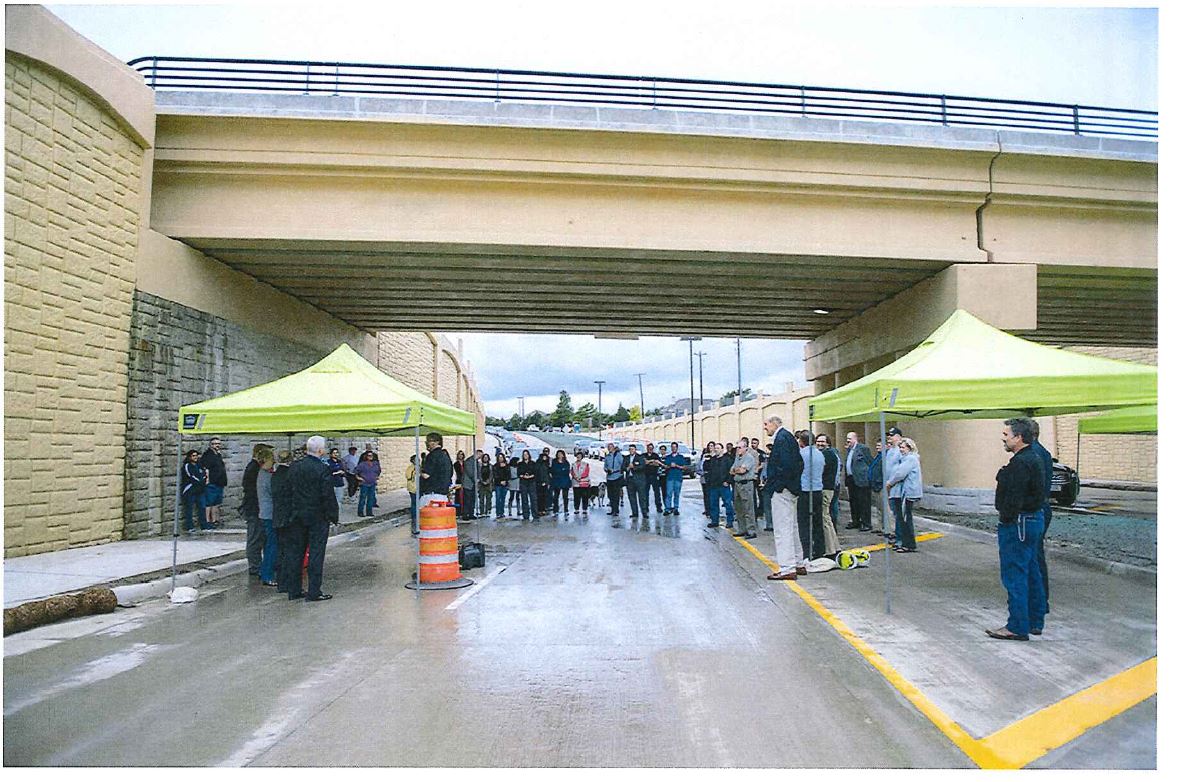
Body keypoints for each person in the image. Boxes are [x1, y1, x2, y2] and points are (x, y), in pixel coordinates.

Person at [988, 417, 1048, 641]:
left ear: (1019, 437)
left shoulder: (1021, 463)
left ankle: (1017, 625)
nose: (1003, 439)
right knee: (1031, 570)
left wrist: (1006, 518)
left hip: (1019, 523)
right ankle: (1034, 620)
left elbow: (1013, 496)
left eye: (1007, 435)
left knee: (1015, 574)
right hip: (1032, 520)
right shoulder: (1035, 457)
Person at [286, 435, 339, 602]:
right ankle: (314, 591)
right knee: (316, 553)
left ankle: (294, 589)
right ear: (321, 451)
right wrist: (333, 515)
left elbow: (288, 490)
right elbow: (327, 495)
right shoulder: (322, 469)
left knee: (296, 553)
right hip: (317, 516)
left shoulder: (295, 467)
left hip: (297, 515)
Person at [764, 417, 805, 581]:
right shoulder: (788, 437)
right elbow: (798, 464)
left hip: (783, 490)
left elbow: (786, 466)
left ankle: (787, 568)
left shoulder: (781, 439)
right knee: (792, 527)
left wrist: (778, 485)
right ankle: (798, 562)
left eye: (766, 424)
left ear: (775, 424)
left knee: (783, 529)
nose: (765, 427)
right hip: (791, 489)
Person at [1028, 419, 1055, 610]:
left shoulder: (1034, 454)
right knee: (1035, 554)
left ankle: (1039, 599)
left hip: (1035, 509)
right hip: (1041, 508)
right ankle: (1039, 598)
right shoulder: (1041, 452)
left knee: (1034, 556)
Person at [885, 437, 923, 552]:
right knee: (905, 518)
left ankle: (908, 544)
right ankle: (906, 543)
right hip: (908, 492)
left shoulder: (910, 459)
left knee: (906, 519)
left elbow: (900, 474)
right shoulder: (909, 458)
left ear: (909, 448)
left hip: (908, 492)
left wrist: (889, 483)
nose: (901, 450)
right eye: (900, 447)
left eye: (903, 447)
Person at [238, 443, 266, 579]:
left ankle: (257, 565)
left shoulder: (255, 467)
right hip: (254, 508)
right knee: (254, 538)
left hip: (257, 508)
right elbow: (252, 490)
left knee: (259, 537)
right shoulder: (253, 468)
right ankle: (255, 566)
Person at [815, 433, 842, 557]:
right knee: (827, 518)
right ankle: (834, 546)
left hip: (825, 489)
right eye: (818, 441)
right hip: (828, 488)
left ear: (828, 443)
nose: (820, 443)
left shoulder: (827, 455)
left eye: (822, 441)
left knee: (825, 518)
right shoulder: (830, 454)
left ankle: (830, 549)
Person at [271, 450, 294, 595]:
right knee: (289, 551)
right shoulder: (289, 475)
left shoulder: (275, 475)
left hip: (278, 516)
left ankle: (281, 580)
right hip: (288, 517)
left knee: (280, 550)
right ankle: (287, 581)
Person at [256, 446, 278, 586]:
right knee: (272, 545)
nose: (274, 461)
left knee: (270, 544)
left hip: (265, 513)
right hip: (269, 513)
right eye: (272, 459)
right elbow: (273, 492)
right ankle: (268, 574)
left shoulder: (263, 474)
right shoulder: (266, 476)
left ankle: (265, 571)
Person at [730, 437, 759, 539]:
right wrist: (737, 470)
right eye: (737, 447)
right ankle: (742, 529)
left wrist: (737, 470)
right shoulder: (737, 458)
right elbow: (731, 471)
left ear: (745, 448)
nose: (738, 449)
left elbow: (742, 471)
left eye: (740, 447)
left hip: (746, 484)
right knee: (739, 508)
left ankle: (751, 531)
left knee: (748, 508)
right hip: (737, 484)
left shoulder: (749, 458)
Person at [703, 442, 735, 529]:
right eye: (715, 448)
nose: (716, 450)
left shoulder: (727, 459)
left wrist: (728, 481)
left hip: (724, 485)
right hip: (713, 485)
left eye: (717, 448)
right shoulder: (712, 460)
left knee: (727, 503)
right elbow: (707, 470)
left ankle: (730, 521)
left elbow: (731, 471)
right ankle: (714, 521)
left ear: (722, 450)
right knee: (713, 504)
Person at [844, 431, 872, 531]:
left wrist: (866, 475)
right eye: (847, 438)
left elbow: (869, 462)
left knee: (863, 502)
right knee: (853, 501)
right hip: (851, 479)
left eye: (850, 439)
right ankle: (855, 521)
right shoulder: (849, 450)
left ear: (855, 439)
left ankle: (866, 523)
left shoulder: (863, 448)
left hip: (861, 479)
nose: (848, 441)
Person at [200, 437, 228, 529]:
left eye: (218, 444)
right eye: (215, 444)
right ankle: (207, 521)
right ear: (211, 445)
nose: (217, 445)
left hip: (219, 482)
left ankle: (215, 520)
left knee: (216, 503)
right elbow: (205, 469)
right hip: (212, 483)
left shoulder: (218, 455)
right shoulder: (208, 455)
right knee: (209, 503)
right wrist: (207, 481)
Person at [180, 449, 210, 533]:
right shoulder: (187, 466)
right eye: (193, 456)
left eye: (196, 455)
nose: (195, 457)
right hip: (190, 490)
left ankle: (204, 525)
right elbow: (191, 476)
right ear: (189, 457)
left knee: (202, 507)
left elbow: (204, 473)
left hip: (200, 490)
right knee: (189, 508)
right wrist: (200, 481)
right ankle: (189, 526)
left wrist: (203, 480)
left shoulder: (199, 465)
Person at [420, 432, 453, 505]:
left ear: (436, 442)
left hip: (431, 495)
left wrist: (419, 470)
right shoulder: (446, 456)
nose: (427, 443)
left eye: (428, 441)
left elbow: (426, 475)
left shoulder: (432, 456)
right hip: (443, 495)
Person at [624, 444, 650, 525]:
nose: (631, 450)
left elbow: (643, 466)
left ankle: (644, 513)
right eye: (630, 449)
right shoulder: (626, 458)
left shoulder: (640, 457)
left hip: (639, 480)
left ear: (635, 450)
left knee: (642, 497)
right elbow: (623, 467)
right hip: (630, 480)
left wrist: (634, 467)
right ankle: (634, 513)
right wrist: (627, 468)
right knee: (632, 497)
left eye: (633, 449)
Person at [663, 442, 688, 516]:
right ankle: (667, 509)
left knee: (677, 494)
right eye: (672, 447)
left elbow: (684, 467)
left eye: (675, 447)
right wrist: (669, 466)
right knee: (668, 493)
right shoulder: (668, 457)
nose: (674, 448)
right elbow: (665, 466)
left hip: (678, 478)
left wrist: (676, 465)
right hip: (670, 478)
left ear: (677, 448)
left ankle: (676, 508)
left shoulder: (681, 457)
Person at [355, 450, 381, 517]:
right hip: (364, 484)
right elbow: (355, 472)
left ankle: (369, 512)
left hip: (372, 483)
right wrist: (358, 478)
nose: (370, 457)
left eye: (371, 456)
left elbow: (378, 471)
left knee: (371, 498)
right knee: (363, 498)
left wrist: (376, 477)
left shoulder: (375, 463)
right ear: (366, 456)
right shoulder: (362, 464)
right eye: (369, 456)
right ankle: (360, 512)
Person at [604, 443, 625, 521]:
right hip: (609, 477)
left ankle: (616, 510)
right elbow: (605, 466)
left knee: (616, 494)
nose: (609, 448)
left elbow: (622, 465)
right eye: (608, 447)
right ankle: (612, 509)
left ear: (613, 448)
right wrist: (607, 470)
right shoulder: (607, 456)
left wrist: (616, 470)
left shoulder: (618, 455)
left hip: (617, 477)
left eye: (611, 447)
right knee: (610, 495)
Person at [643, 443, 664, 515]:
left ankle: (659, 507)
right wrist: (652, 461)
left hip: (654, 476)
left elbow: (658, 464)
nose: (650, 449)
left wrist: (649, 462)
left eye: (651, 448)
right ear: (647, 448)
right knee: (645, 493)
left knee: (657, 493)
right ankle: (646, 507)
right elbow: (644, 463)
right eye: (649, 448)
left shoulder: (656, 455)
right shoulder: (643, 455)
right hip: (646, 476)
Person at [517, 449, 538, 521]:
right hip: (523, 483)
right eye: (524, 455)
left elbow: (536, 473)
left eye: (526, 454)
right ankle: (526, 515)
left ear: (529, 455)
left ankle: (535, 515)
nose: (525, 456)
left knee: (533, 499)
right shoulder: (520, 464)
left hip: (531, 482)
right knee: (524, 499)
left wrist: (530, 476)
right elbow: (518, 473)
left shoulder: (533, 463)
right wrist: (523, 476)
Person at [550, 449, 572, 515]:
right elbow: (553, 470)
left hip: (565, 481)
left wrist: (560, 470)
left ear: (563, 455)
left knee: (565, 497)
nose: (559, 455)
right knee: (556, 497)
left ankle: (566, 509)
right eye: (558, 454)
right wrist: (561, 470)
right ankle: (555, 510)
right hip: (556, 481)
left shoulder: (566, 462)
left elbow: (567, 471)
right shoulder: (554, 461)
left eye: (561, 454)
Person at [461, 449, 480, 521]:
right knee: (467, 499)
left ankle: (471, 513)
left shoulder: (477, 462)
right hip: (468, 483)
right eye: (479, 455)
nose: (480, 457)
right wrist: (475, 479)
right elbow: (470, 472)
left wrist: (478, 479)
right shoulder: (468, 461)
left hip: (474, 484)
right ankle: (465, 514)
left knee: (472, 499)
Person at [750, 437, 766, 519]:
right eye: (752, 443)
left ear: (758, 444)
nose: (753, 445)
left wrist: (756, 469)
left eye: (755, 443)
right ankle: (754, 511)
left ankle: (761, 510)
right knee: (752, 495)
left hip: (759, 476)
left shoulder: (761, 453)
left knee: (761, 494)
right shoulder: (748, 452)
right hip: (751, 476)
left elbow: (763, 464)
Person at [493, 453, 511, 519]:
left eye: (501, 457)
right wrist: (500, 481)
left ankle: (502, 512)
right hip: (498, 484)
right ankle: (498, 513)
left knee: (503, 498)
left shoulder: (507, 466)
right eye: (499, 457)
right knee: (498, 498)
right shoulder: (495, 466)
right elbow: (495, 475)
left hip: (505, 484)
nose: (500, 459)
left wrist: (505, 481)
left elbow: (509, 475)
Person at [535, 450, 552, 516]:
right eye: (543, 457)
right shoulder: (538, 464)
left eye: (546, 457)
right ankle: (539, 509)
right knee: (539, 496)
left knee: (545, 496)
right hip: (539, 482)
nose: (545, 458)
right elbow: (537, 473)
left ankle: (544, 509)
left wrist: (547, 482)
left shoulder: (547, 464)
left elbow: (548, 474)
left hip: (545, 482)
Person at [404, 455, 418, 531]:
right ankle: (414, 516)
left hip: (418, 487)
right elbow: (408, 476)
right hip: (413, 487)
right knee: (414, 502)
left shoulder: (420, 467)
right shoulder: (411, 468)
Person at [478, 452, 493, 518]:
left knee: (488, 498)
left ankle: (487, 511)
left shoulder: (490, 466)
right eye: (484, 457)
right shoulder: (480, 466)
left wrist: (488, 481)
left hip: (489, 484)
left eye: (487, 457)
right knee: (481, 498)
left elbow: (491, 475)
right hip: (481, 484)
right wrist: (482, 481)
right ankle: (482, 512)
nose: (485, 459)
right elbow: (479, 474)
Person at [656, 444, 670, 512]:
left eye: (663, 450)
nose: (662, 451)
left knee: (666, 492)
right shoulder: (659, 458)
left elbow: (667, 466)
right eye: (661, 450)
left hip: (666, 476)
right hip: (660, 476)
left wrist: (661, 463)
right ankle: (662, 506)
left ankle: (668, 506)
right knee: (661, 492)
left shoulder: (668, 458)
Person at [454, 450, 467, 514]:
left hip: (465, 481)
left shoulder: (465, 463)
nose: (460, 456)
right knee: (458, 496)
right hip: (459, 481)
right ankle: (458, 511)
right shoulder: (456, 464)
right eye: (459, 454)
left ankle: (464, 510)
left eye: (462, 454)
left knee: (465, 496)